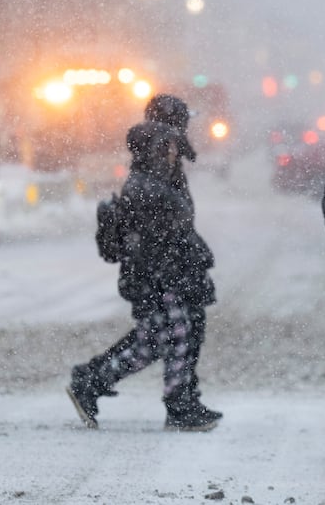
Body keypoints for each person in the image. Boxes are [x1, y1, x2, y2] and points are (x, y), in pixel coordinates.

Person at [67, 121, 220, 430]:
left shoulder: (152, 180)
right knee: (177, 335)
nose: (173, 151)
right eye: (167, 146)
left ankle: (93, 382)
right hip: (162, 277)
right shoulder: (145, 186)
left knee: (152, 342)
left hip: (163, 275)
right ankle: (178, 404)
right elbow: (158, 237)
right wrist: (166, 273)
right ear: (153, 150)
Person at [142, 93, 221, 420]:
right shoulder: (157, 166)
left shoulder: (167, 163)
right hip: (168, 267)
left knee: (178, 332)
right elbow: (160, 223)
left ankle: (185, 396)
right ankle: (179, 402)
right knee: (173, 334)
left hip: (177, 263)